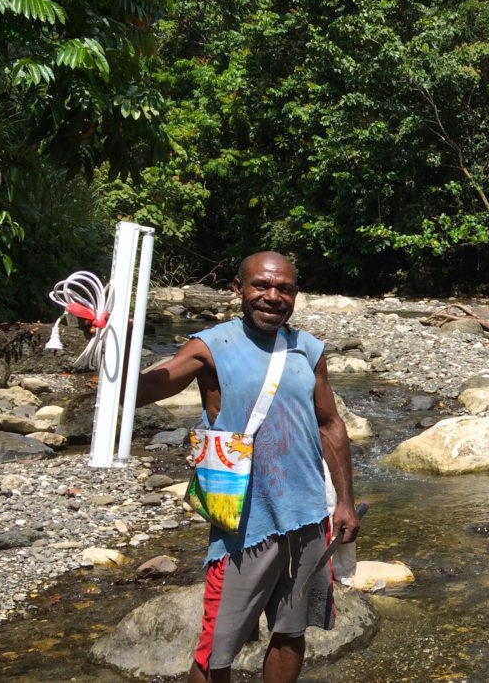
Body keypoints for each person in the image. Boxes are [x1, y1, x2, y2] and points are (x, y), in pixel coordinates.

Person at [133, 252, 359, 683]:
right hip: (243, 526)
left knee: (291, 633)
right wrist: (115, 356)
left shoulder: (308, 350)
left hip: (309, 516)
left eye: (284, 289)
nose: (272, 297)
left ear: (295, 293)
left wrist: (344, 502)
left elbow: (330, 424)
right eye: (260, 286)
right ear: (238, 289)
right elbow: (150, 387)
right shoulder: (210, 346)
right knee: (217, 651)